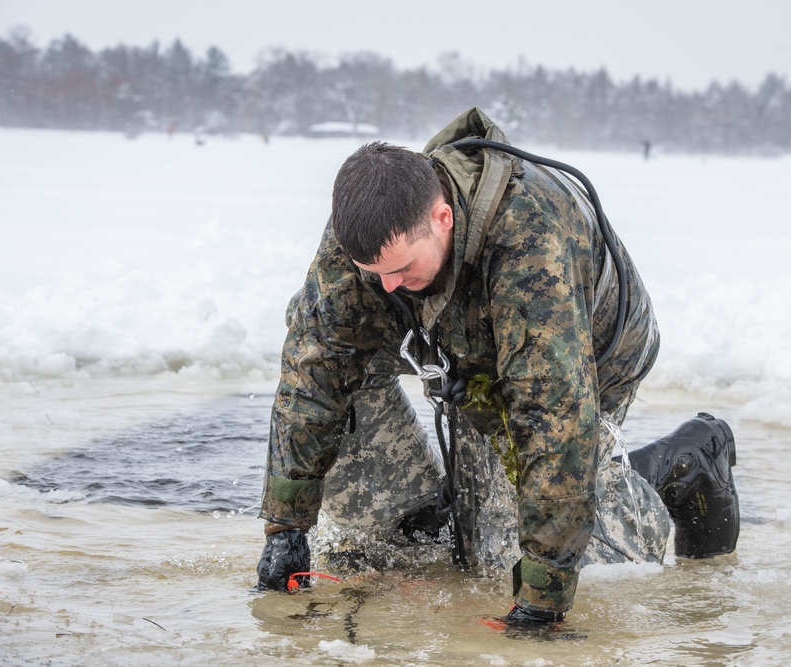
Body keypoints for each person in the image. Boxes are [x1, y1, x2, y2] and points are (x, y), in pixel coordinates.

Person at [256, 107, 739, 628]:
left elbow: (552, 422)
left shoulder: (530, 245)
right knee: (337, 343)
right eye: (374, 273)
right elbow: (313, 369)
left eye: (401, 270)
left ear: (441, 217)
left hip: (586, 353)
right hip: (461, 336)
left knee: (505, 549)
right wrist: (286, 527)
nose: (387, 285)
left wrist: (543, 600)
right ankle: (416, 512)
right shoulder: (370, 226)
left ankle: (678, 466)